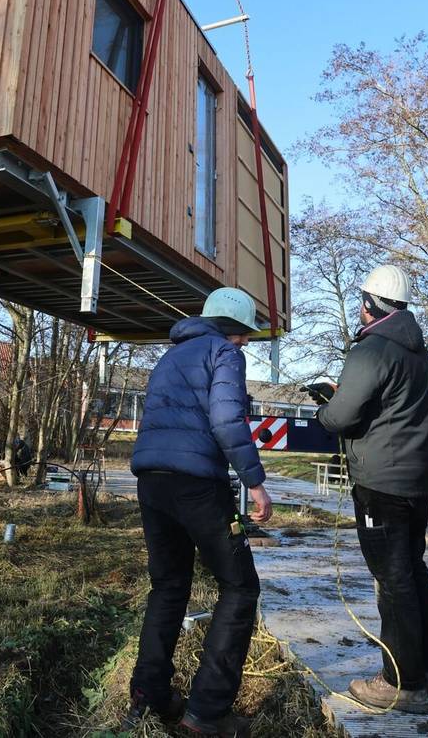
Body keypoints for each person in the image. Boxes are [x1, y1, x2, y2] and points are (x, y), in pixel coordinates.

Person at [127, 287, 273, 738]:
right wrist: (255, 482)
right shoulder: (223, 354)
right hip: (197, 485)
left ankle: (148, 697)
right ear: (228, 328)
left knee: (169, 587)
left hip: (151, 483)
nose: (245, 342)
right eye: (243, 333)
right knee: (240, 587)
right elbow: (227, 421)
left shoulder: (169, 357)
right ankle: (207, 713)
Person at [315, 264, 428, 715]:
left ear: (370, 304)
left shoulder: (370, 350)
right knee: (413, 570)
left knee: (392, 581)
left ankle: (401, 685)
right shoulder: (421, 355)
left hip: (380, 484)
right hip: (416, 481)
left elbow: (341, 417)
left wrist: (325, 408)